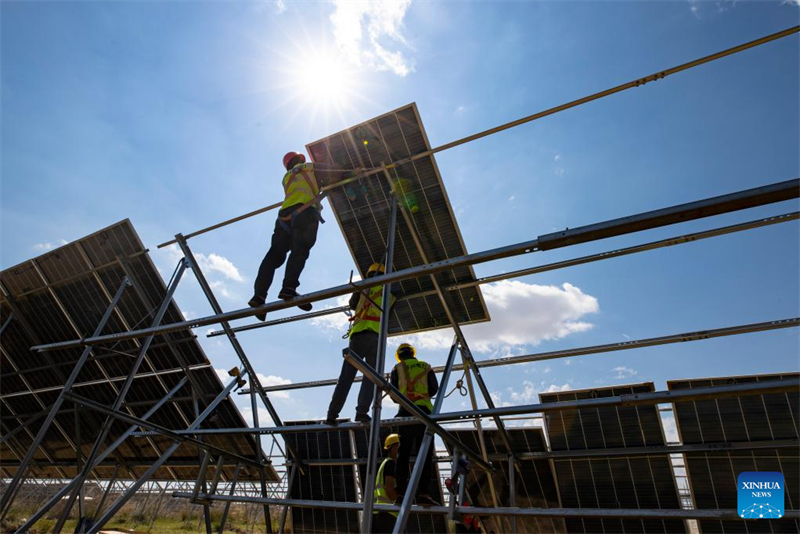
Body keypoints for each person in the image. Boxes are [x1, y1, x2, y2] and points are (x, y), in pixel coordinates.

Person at [249, 151, 344, 321]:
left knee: (273, 256)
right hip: (305, 213)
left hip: (284, 217)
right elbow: (336, 170)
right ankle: (289, 288)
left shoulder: (286, 177)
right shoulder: (310, 168)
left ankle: (259, 296)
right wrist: (353, 172)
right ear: (301, 159)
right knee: (300, 250)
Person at [325, 263, 395, 425]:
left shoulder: (361, 289)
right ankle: (362, 412)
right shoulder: (390, 294)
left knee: (346, 378)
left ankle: (332, 415)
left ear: (369, 274)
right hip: (376, 338)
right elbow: (389, 315)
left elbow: (352, 304)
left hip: (358, 336)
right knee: (370, 378)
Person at [390, 343, 440, 506]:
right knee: (424, 454)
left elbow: (393, 395)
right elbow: (434, 389)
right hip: (424, 413)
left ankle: (400, 494)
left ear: (399, 356)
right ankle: (423, 494)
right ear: (413, 353)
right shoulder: (426, 367)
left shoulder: (397, 369)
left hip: (405, 413)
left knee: (403, 455)